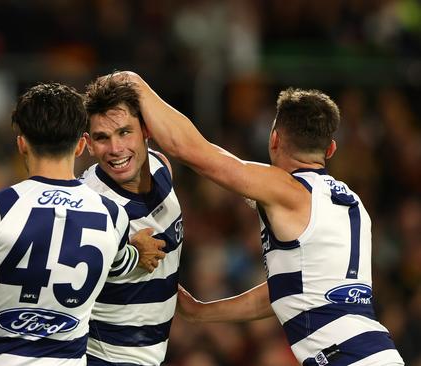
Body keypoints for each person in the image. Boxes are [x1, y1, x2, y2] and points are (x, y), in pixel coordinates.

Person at [116, 71, 405, 365]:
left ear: (274, 139)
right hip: (379, 352)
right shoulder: (352, 204)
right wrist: (201, 312)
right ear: (330, 149)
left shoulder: (289, 190)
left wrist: (134, 83)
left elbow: (190, 150)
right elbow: (292, 290)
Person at [0, 82, 166, 366]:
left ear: (22, 143)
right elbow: (120, 264)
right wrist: (137, 250)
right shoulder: (112, 214)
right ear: (82, 145)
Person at [79, 75, 183, 365]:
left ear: (146, 130)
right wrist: (124, 255)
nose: (115, 149)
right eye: (102, 137)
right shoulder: (90, 205)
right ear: (88, 144)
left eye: (125, 132)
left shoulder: (161, 166)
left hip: (151, 353)